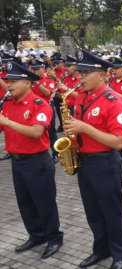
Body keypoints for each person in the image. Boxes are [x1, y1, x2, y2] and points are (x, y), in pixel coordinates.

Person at [63, 49, 122, 269]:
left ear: (101, 75)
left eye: (85, 73)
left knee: (111, 212)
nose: (80, 77)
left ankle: (120, 253)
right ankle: (100, 250)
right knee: (93, 212)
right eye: (80, 73)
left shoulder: (113, 101)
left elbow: (119, 142)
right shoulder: (81, 96)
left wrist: (85, 128)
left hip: (105, 163)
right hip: (85, 162)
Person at [1, 61, 63, 259]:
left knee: (44, 203)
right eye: (7, 82)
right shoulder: (9, 104)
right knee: (25, 203)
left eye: (13, 82)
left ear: (27, 83)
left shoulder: (40, 104)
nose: (8, 86)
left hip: (37, 162)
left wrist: (7, 121)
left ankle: (54, 237)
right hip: (17, 162)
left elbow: (37, 132)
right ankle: (36, 235)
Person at [29, 58, 59, 164]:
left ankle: (56, 153)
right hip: (33, 109)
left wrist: (38, 83)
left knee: (51, 132)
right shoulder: (29, 80)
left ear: (43, 68)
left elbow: (47, 93)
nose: (35, 72)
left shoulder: (49, 79)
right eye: (33, 70)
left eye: (37, 69)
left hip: (46, 108)